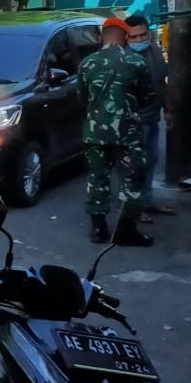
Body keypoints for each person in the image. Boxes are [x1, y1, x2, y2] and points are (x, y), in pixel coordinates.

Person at [77, 17, 152, 246]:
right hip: (127, 134)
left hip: (95, 132)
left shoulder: (87, 63)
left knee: (97, 178)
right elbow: (148, 96)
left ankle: (98, 229)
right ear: (125, 38)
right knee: (132, 180)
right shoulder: (136, 62)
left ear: (101, 37)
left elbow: (82, 98)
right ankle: (126, 231)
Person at [125, 15, 174, 221]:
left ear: (149, 33)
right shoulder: (122, 57)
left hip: (152, 118)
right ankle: (133, 208)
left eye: (142, 35)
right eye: (133, 37)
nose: (138, 40)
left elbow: (163, 84)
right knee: (135, 166)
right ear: (125, 37)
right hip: (133, 123)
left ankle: (147, 201)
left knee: (152, 159)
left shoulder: (154, 51)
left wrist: (168, 110)